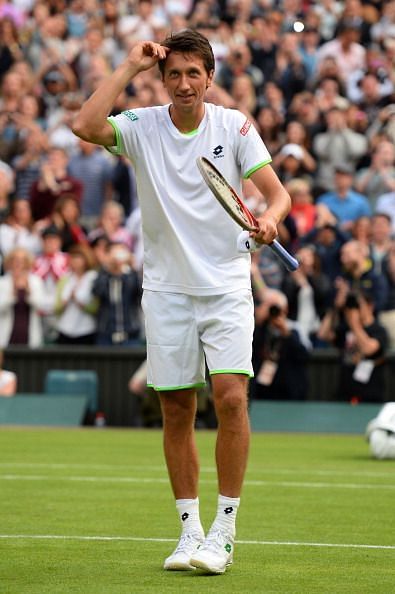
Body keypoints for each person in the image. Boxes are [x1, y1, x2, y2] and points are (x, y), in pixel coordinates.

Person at [72, 30, 291, 575]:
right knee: (176, 409)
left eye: (195, 73)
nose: (186, 83)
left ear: (209, 78)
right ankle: (190, 530)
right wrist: (128, 66)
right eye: (175, 74)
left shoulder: (235, 125)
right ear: (163, 80)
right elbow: (84, 125)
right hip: (166, 289)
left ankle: (225, 528)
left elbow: (278, 193)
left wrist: (273, 219)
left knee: (231, 399)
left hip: (224, 286)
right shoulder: (142, 126)